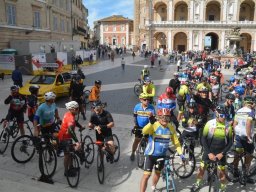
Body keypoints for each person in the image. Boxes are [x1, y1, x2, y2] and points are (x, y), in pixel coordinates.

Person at [140, 108, 183, 192]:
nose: (165, 120)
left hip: (162, 156)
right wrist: (150, 123)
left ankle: (153, 186)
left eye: (167, 118)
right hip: (151, 155)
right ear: (158, 118)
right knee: (146, 176)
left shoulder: (171, 127)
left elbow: (176, 142)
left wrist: (181, 154)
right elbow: (144, 131)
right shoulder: (154, 124)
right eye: (162, 117)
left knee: (157, 173)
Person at [191, 105, 233, 192]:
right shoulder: (210, 123)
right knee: (202, 168)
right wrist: (209, 153)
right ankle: (198, 183)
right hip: (209, 150)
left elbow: (230, 143)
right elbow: (203, 139)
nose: (224, 118)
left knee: (222, 172)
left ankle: (222, 188)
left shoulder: (228, 126)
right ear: (217, 114)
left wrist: (222, 153)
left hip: (221, 152)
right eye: (222, 116)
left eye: (226, 116)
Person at [232, 96, 255, 183]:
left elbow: (235, 124)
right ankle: (245, 175)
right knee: (248, 156)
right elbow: (249, 123)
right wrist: (249, 136)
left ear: (244, 102)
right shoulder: (252, 111)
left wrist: (236, 133)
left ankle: (235, 172)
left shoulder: (239, 110)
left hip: (238, 135)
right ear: (252, 103)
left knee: (237, 154)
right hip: (247, 137)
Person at [58, 101, 82, 177]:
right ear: (73, 109)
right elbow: (71, 131)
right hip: (64, 138)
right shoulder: (70, 117)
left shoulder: (69, 113)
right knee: (67, 155)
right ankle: (66, 171)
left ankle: (71, 167)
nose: (79, 110)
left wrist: (80, 126)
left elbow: (75, 122)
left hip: (66, 136)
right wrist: (77, 141)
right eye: (77, 109)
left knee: (71, 152)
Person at [130, 93, 156, 161]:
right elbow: (135, 117)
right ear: (140, 99)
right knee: (136, 140)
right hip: (139, 126)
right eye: (145, 99)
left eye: (148, 99)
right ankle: (133, 153)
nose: (147, 101)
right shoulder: (137, 107)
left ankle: (149, 154)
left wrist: (151, 117)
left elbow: (154, 120)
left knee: (149, 140)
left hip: (148, 127)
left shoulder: (151, 107)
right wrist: (135, 125)